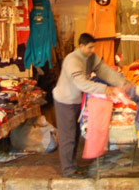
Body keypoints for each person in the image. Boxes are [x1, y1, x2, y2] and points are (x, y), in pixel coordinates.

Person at [53, 33, 133, 178]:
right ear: (81, 46)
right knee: (68, 136)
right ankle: (68, 171)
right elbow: (82, 83)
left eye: (93, 47)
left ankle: (73, 166)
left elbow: (104, 71)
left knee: (75, 135)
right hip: (64, 101)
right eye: (89, 47)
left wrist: (123, 83)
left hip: (76, 100)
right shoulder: (72, 60)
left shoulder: (90, 57)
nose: (92, 50)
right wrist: (105, 89)